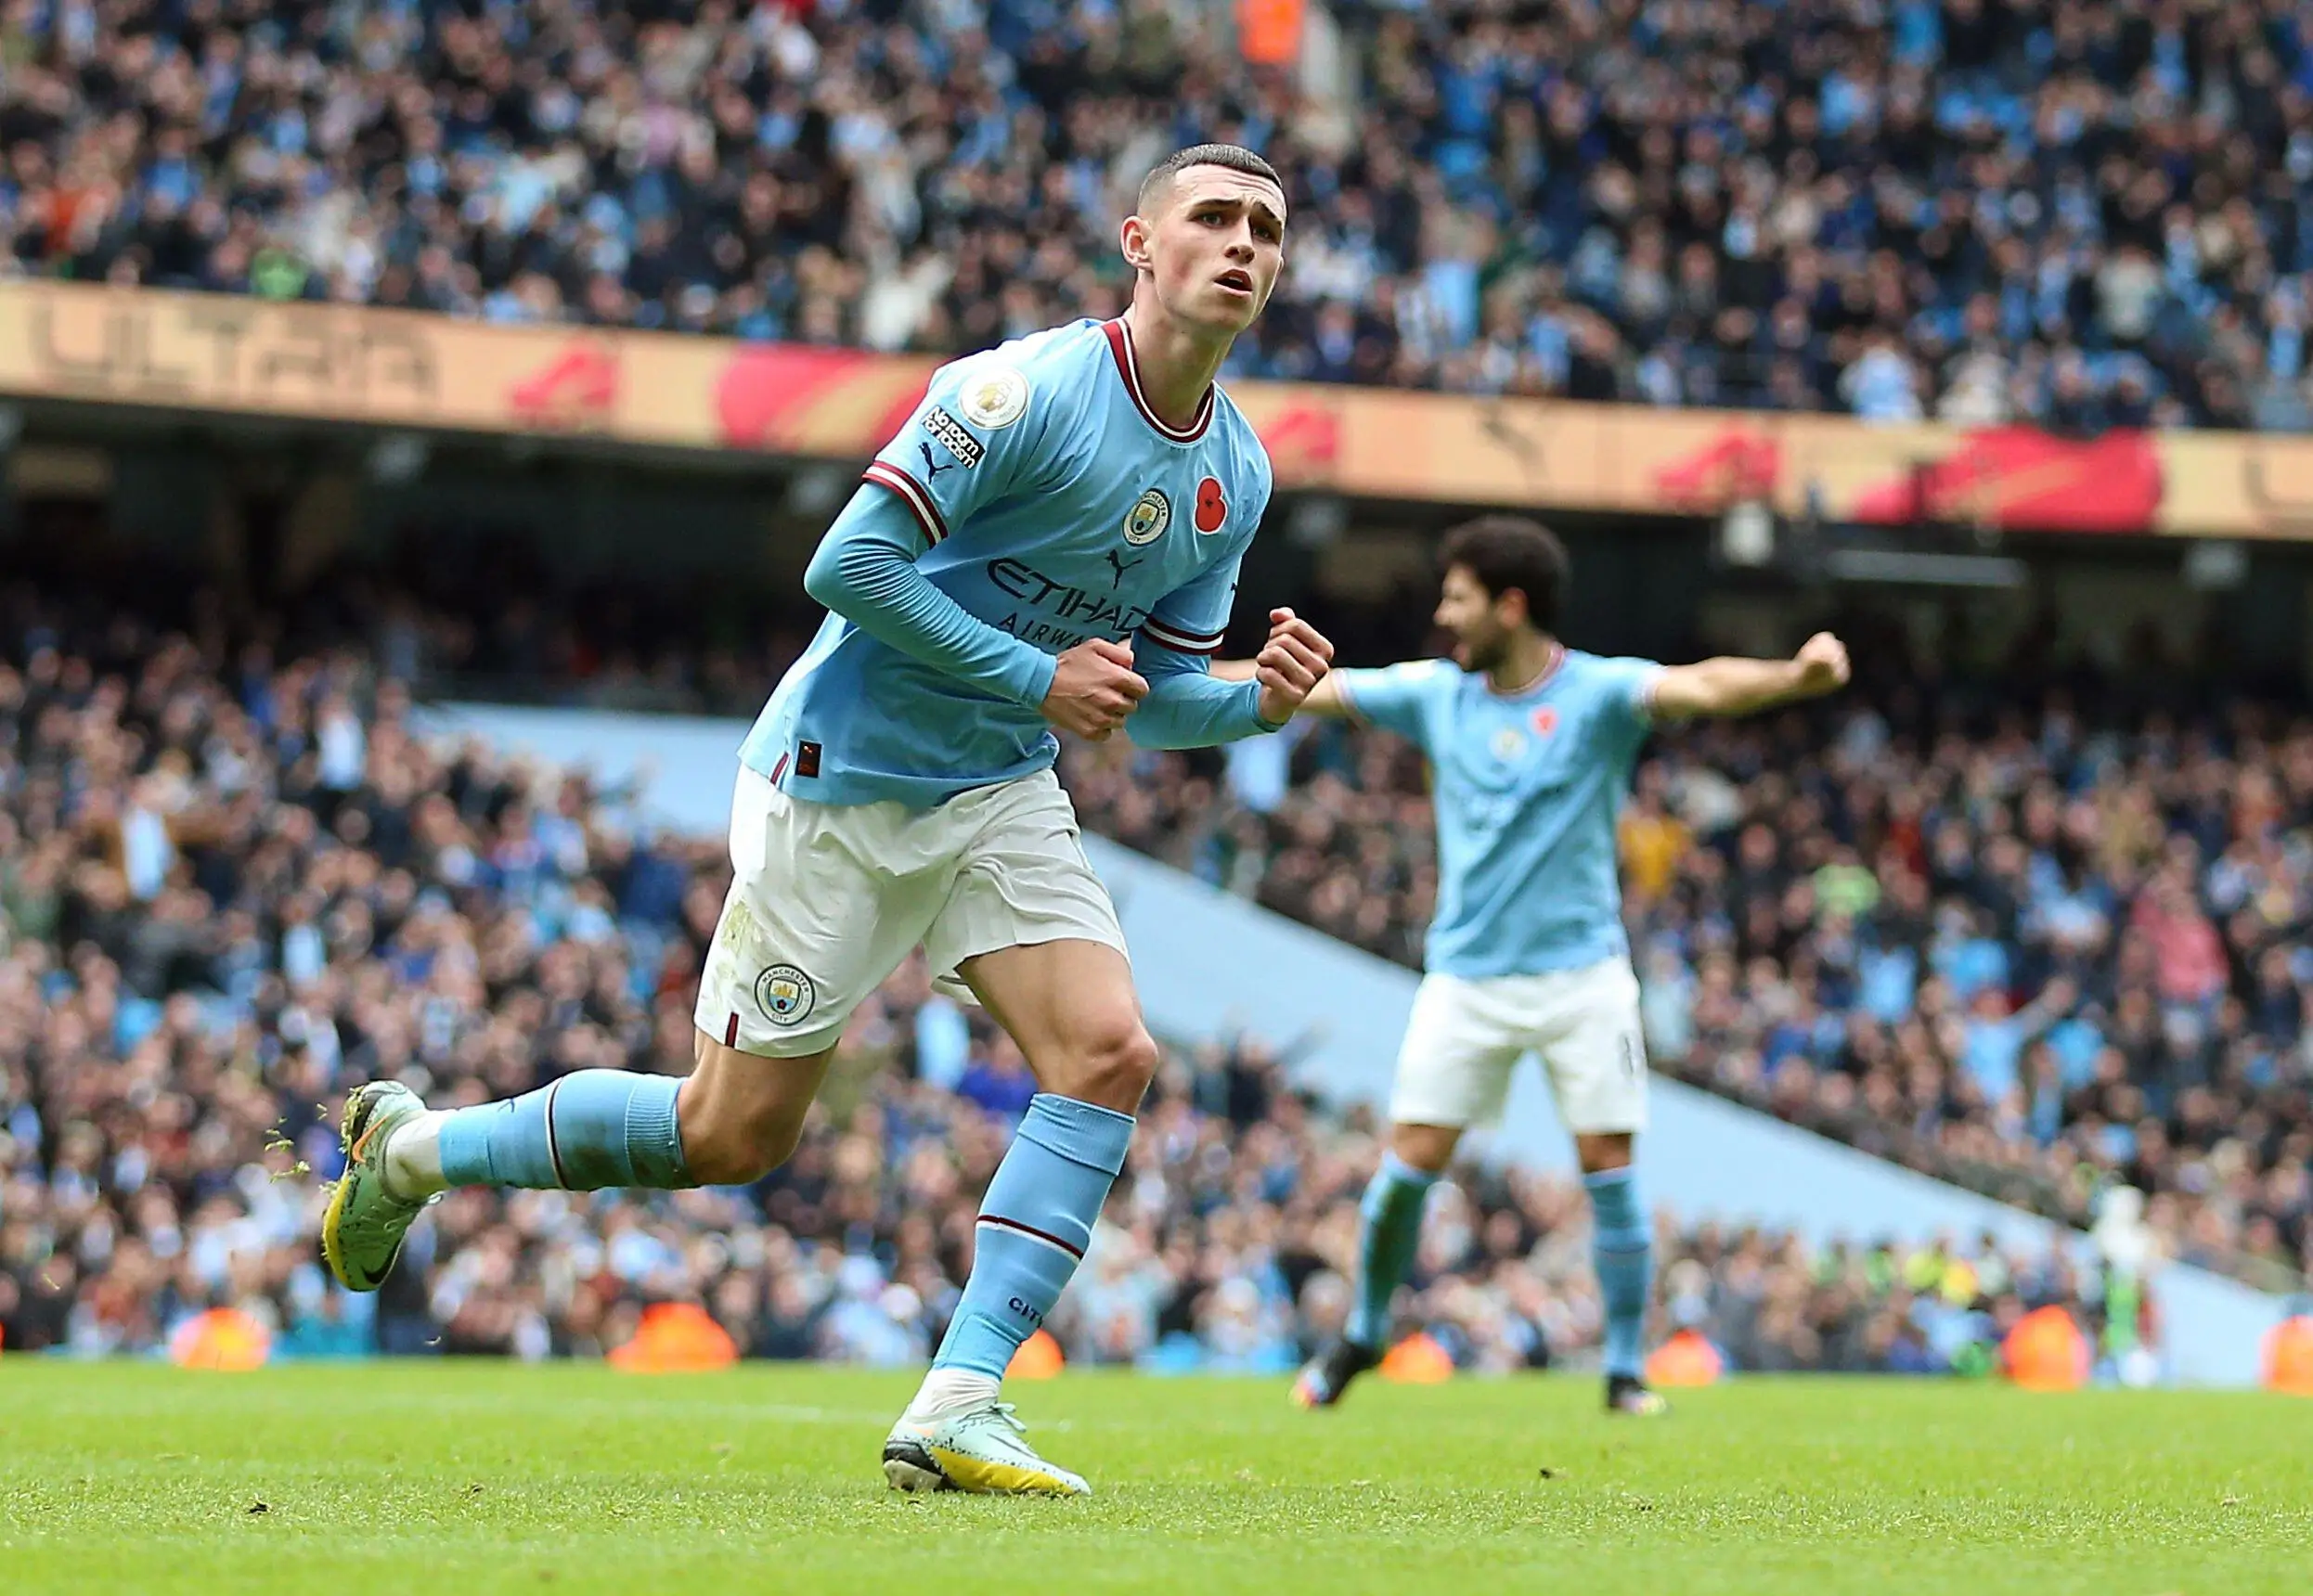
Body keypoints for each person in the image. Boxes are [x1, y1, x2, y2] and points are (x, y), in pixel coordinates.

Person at [320, 144, 1336, 1496]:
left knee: (1108, 1050)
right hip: (841, 777)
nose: (1244, 243)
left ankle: (964, 1398)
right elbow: (845, 563)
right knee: (727, 1139)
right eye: (1213, 217)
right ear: (1139, 244)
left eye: (1266, 229)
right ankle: (411, 1150)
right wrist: (1038, 673)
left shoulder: (1236, 478)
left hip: (997, 784)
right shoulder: (1014, 390)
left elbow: (1144, 697)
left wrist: (1253, 710)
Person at [1223, 516, 1848, 1415]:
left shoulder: (1595, 692)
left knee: (1609, 1166)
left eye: (1458, 597)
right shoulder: (1436, 694)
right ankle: (1362, 1331)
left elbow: (1703, 686)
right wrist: (1164, 680)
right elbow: (1308, 689)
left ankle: (1624, 1367)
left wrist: (1795, 675)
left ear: (1509, 606)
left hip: (1580, 977)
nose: (1443, 614)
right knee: (1408, 1166)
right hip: (1466, 978)